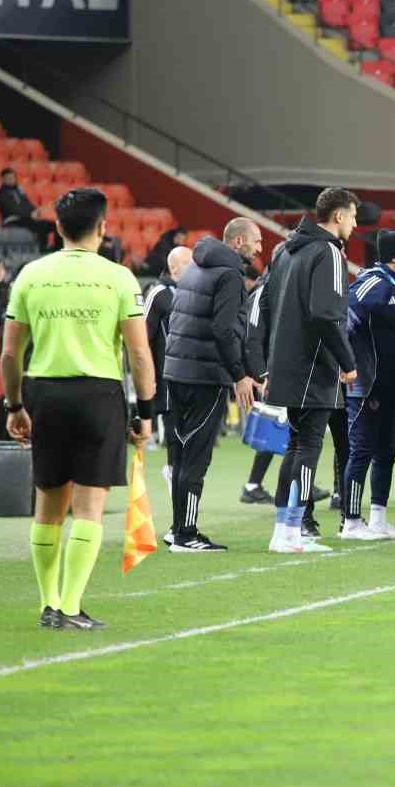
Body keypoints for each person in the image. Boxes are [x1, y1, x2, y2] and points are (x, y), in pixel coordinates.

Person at [0, 187, 156, 630]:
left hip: (45, 392)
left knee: (48, 505)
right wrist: (146, 412)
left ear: (57, 226)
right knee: (88, 509)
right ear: (103, 227)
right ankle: (70, 607)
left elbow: (10, 354)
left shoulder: (31, 275)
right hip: (98, 395)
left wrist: (14, 405)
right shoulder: (119, 277)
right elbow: (139, 353)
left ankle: (48, 604)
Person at [261, 188, 359, 554]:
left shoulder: (286, 251)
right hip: (314, 366)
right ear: (338, 216)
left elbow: (267, 306)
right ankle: (291, 532)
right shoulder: (328, 252)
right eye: (352, 217)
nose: (354, 225)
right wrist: (347, 362)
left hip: (286, 363)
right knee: (308, 446)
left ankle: (282, 532)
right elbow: (325, 315)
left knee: (295, 445)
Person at [162, 218, 263, 551]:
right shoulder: (230, 275)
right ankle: (186, 534)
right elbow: (224, 330)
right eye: (256, 241)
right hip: (205, 376)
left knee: (181, 454)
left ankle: (178, 528)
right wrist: (239, 375)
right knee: (196, 457)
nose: (260, 248)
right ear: (238, 242)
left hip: (177, 370)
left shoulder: (195, 267)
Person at [340, 229, 395, 540]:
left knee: (386, 452)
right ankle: (351, 522)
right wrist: (349, 363)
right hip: (367, 383)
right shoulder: (372, 282)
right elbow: (344, 318)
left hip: (390, 382)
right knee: (361, 451)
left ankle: (378, 519)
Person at [239, 242, 282, 505]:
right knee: (277, 426)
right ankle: (253, 485)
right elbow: (252, 339)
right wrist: (262, 374)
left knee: (284, 426)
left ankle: (255, 484)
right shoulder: (263, 292)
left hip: (281, 370)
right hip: (269, 372)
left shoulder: (281, 289)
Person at [145, 246, 191, 483]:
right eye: (189, 263)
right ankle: (174, 471)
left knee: (192, 430)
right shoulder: (159, 293)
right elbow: (142, 337)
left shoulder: (196, 291)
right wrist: (148, 374)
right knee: (174, 425)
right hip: (167, 375)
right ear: (174, 267)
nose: (195, 267)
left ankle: (184, 474)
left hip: (194, 373)